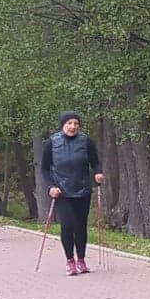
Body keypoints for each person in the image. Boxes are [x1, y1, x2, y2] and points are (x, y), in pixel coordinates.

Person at [39, 112, 104, 275]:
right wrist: (50, 187)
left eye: (76, 123)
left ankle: (81, 259)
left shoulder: (86, 141)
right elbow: (44, 169)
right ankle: (70, 260)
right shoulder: (52, 142)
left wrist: (98, 173)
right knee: (67, 225)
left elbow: (95, 162)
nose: (73, 127)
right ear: (63, 125)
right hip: (61, 192)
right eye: (69, 123)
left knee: (81, 226)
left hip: (82, 190)